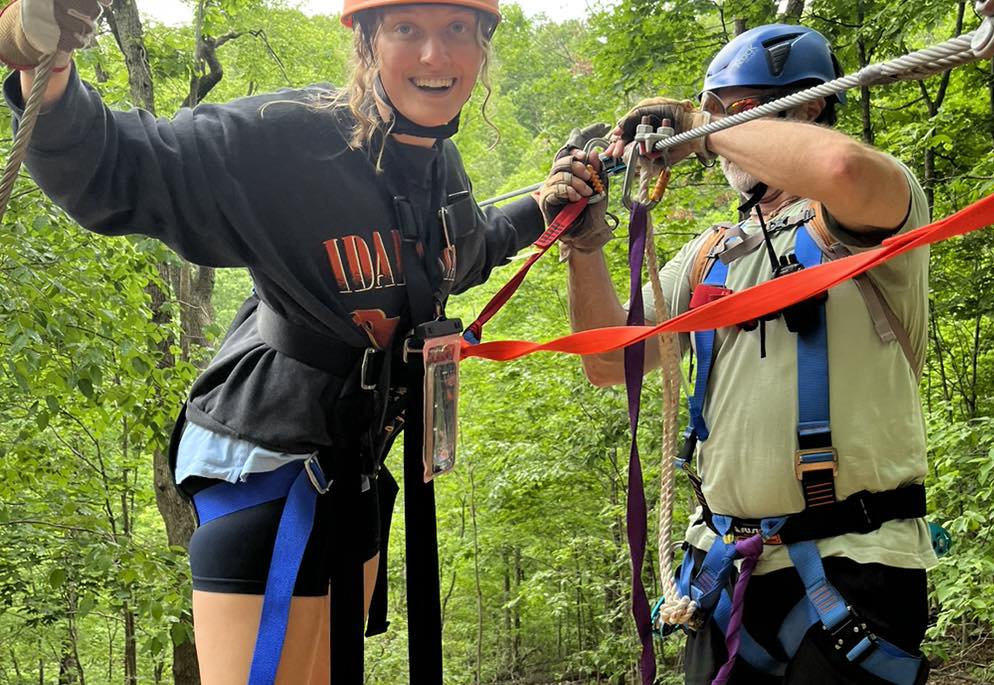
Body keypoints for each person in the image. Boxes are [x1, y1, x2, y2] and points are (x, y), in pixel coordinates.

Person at [0, 0, 607, 682]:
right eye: (408, 29)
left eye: (456, 30)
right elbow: (119, 168)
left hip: (353, 467)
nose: (435, 56)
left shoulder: (438, 164)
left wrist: (545, 207)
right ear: (367, 41)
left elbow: (458, 254)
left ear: (483, 46)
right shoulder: (286, 138)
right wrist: (42, 66)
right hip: (265, 468)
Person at [558, 24, 939, 685]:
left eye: (741, 110)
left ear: (813, 107)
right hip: (728, 570)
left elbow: (839, 168)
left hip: (857, 564)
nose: (722, 133)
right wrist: (583, 245)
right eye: (720, 110)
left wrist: (700, 123)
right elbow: (606, 361)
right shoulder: (713, 255)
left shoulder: (875, 212)